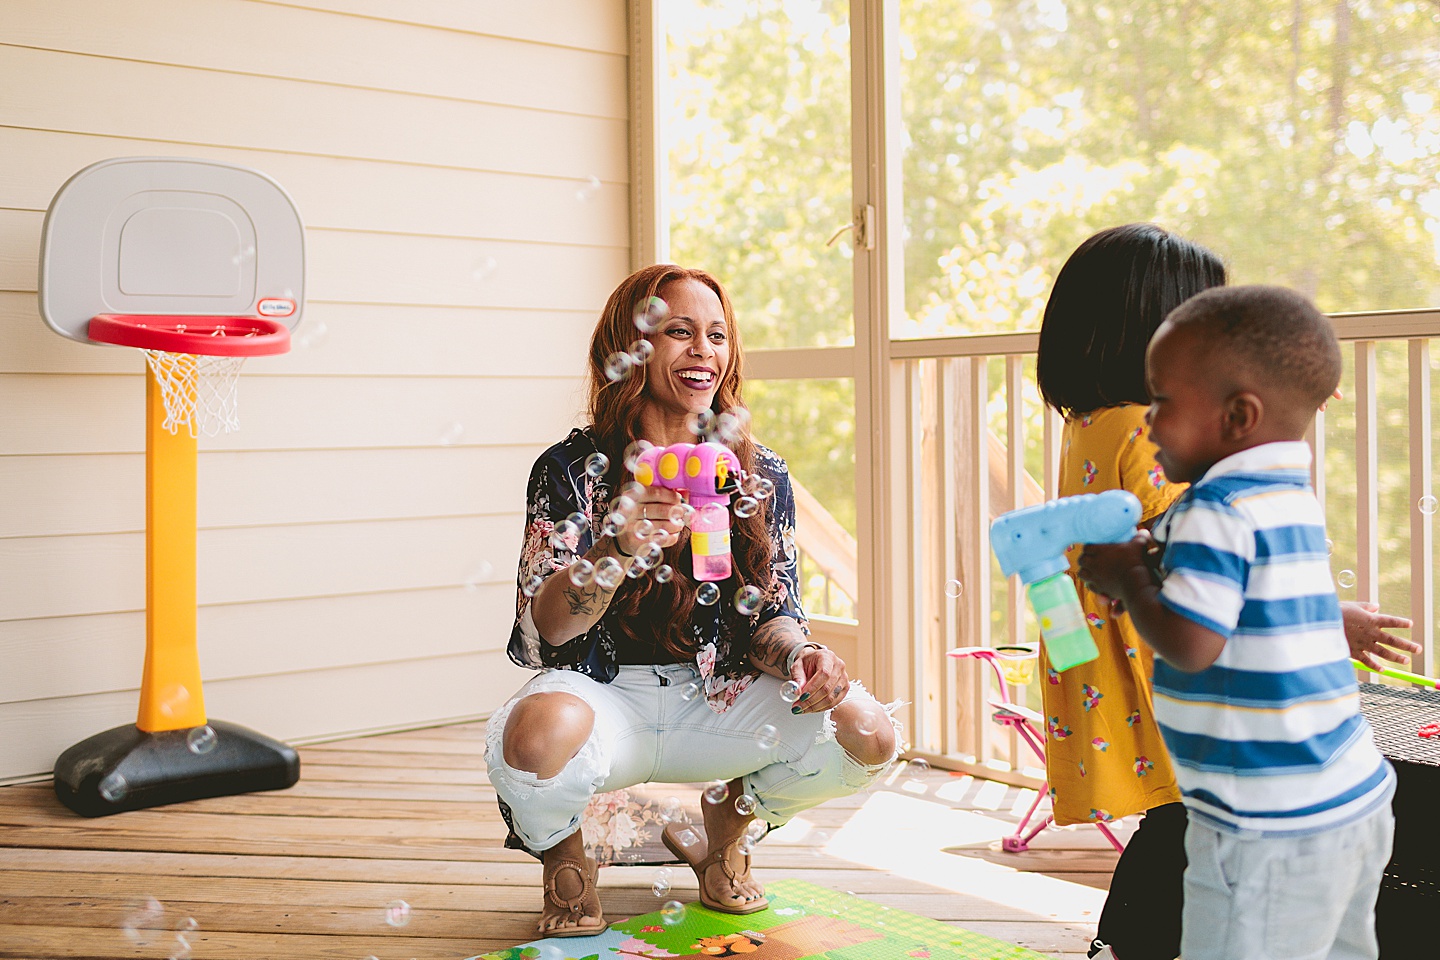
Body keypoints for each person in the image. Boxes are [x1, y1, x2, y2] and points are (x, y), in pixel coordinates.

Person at [484, 263, 900, 938]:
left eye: (716, 334)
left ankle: (727, 829)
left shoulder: (758, 473)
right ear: (633, 347)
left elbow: (772, 614)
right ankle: (566, 856)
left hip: (719, 699)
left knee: (868, 731)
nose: (703, 349)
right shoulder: (571, 468)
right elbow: (544, 636)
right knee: (534, 738)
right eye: (679, 331)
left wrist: (805, 655)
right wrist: (614, 550)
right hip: (605, 696)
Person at [1036, 225, 1416, 960]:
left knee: (1181, 822)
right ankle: (1134, 936)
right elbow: (1206, 593)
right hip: (1223, 705)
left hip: (1153, 677)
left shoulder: (1093, 422)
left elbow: (1217, 569)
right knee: (1182, 820)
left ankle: (1130, 938)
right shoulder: (1229, 473)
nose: (1154, 416)